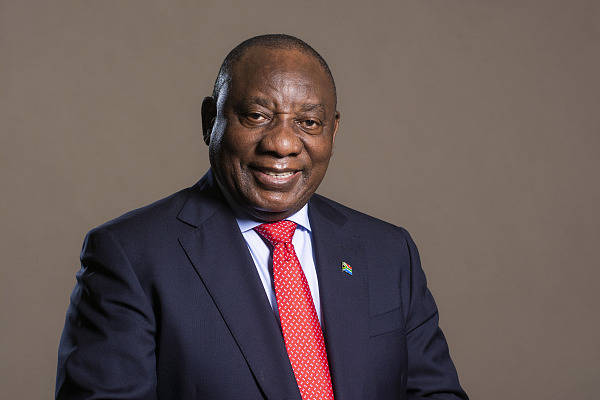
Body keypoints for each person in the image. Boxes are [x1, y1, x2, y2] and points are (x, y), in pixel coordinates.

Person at [56, 34, 468, 400]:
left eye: (308, 122)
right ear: (210, 121)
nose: (283, 143)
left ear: (333, 130)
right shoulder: (131, 255)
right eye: (256, 116)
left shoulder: (388, 251)